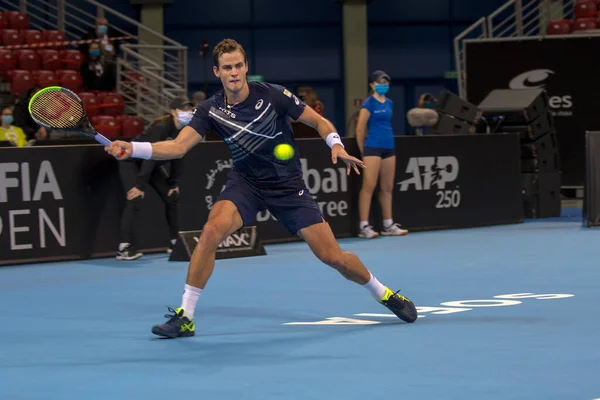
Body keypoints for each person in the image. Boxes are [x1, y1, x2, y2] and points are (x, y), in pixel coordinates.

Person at [105, 38, 418, 338]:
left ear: (246, 66)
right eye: (227, 68)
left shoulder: (273, 95)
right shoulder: (211, 110)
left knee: (332, 257)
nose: (234, 73)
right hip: (246, 183)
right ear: (217, 72)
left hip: (287, 185)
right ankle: (185, 316)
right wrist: (132, 149)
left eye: (238, 66)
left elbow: (320, 122)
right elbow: (177, 146)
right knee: (211, 231)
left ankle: (383, 293)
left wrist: (335, 144)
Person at [116, 97, 193, 260]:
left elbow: (179, 155)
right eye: (183, 109)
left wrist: (174, 183)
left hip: (152, 165)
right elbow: (149, 156)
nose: (188, 113)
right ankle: (124, 247)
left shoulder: (185, 131)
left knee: (171, 197)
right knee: (134, 199)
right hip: (131, 161)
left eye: (189, 109)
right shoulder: (161, 127)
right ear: (173, 112)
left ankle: (174, 242)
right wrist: (139, 185)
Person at [355, 70, 409, 239]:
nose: (383, 85)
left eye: (386, 83)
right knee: (368, 186)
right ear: (372, 85)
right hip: (372, 148)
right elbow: (360, 128)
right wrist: (363, 151)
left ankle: (388, 224)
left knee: (387, 188)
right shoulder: (368, 104)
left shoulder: (390, 103)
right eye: (380, 82)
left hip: (389, 148)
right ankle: (364, 226)